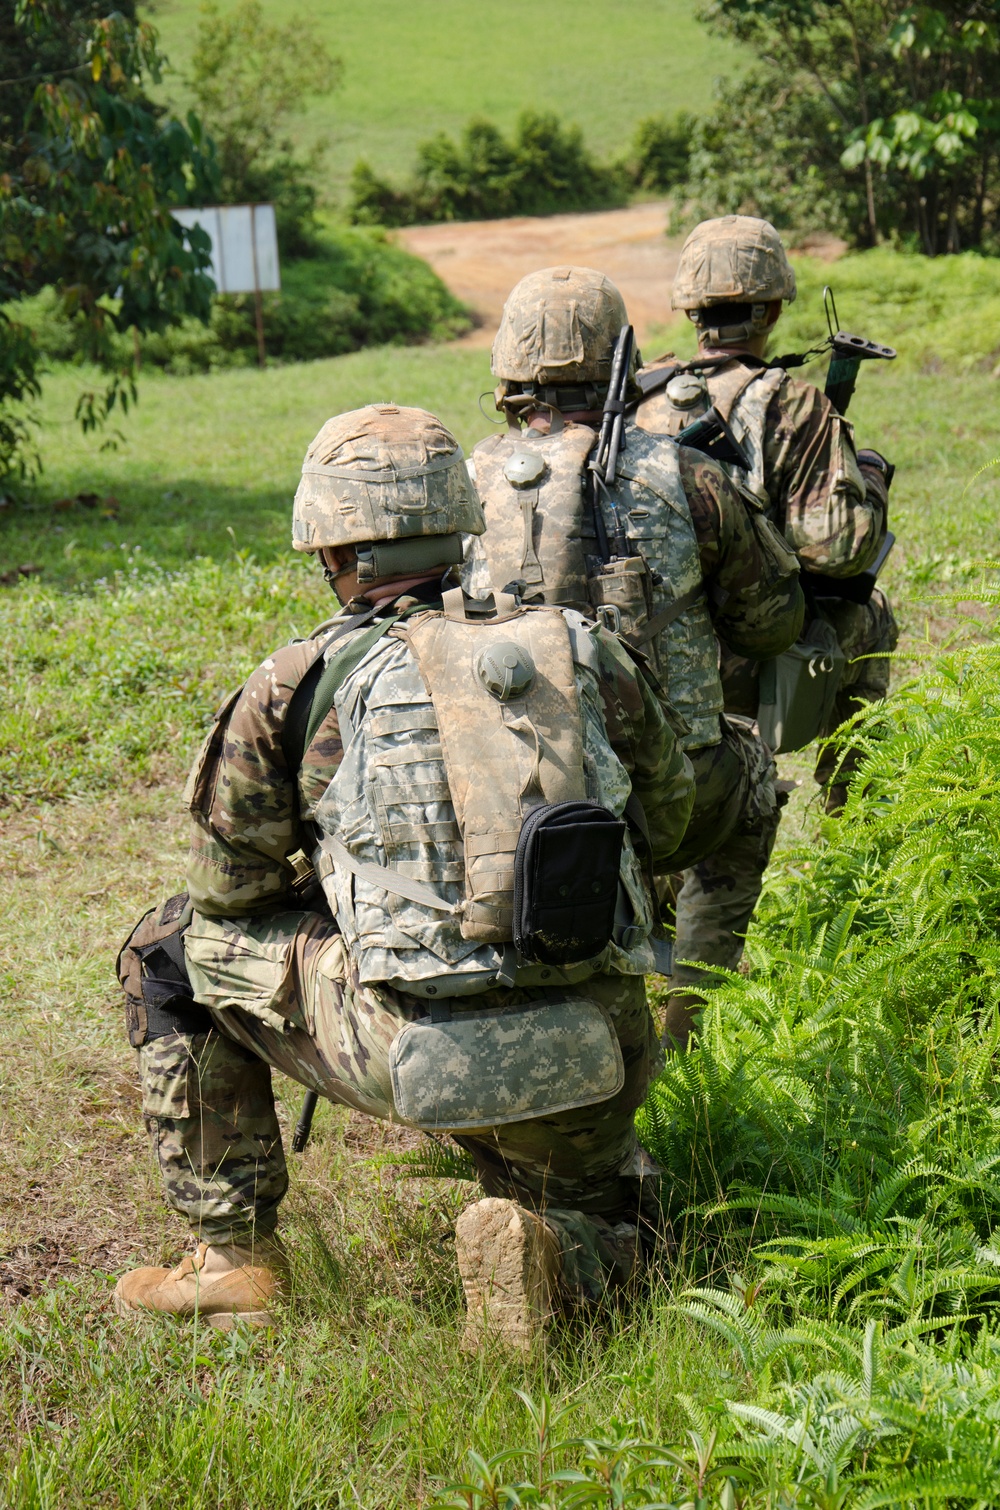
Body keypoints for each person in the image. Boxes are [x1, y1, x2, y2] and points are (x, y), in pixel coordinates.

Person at [113, 403, 696, 1348]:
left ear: (332, 547)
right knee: (602, 1210)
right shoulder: (582, 648)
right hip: (595, 1040)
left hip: (414, 1052)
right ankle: (563, 1242)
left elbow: (230, 890)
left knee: (170, 950)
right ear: (459, 524)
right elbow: (669, 826)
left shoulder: (301, 681)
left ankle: (232, 1259)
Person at [462, 266, 804, 1045]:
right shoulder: (686, 473)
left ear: (507, 374)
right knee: (749, 772)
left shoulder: (463, 482)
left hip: (497, 807)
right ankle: (686, 1016)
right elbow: (771, 624)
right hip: (664, 808)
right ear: (624, 363)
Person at [634, 214, 898, 812]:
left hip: (644, 651)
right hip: (740, 656)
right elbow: (840, 550)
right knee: (873, 619)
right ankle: (859, 820)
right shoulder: (790, 404)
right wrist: (873, 480)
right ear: (774, 309)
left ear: (691, 313)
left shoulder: (638, 397)